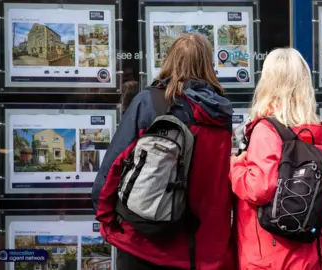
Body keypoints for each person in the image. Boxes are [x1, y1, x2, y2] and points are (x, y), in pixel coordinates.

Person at [92, 33, 235, 270]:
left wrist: (108, 218)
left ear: (170, 60)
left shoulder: (150, 102)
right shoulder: (221, 113)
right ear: (208, 64)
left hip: (145, 241)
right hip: (201, 248)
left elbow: (113, 167)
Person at [229, 48, 322, 270]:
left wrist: (235, 165)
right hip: (311, 256)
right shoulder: (318, 136)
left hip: (268, 259)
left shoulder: (266, 130)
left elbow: (258, 189)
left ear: (268, 83)